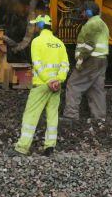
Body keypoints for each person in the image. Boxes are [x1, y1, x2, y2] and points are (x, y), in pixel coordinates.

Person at [13, 15, 69, 156]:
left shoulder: (37, 42)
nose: (35, 27)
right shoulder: (59, 43)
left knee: (30, 116)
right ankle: (49, 147)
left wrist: (48, 80)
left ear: (40, 26)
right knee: (52, 116)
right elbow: (65, 65)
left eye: (36, 25)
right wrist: (58, 80)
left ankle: (22, 148)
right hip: (56, 86)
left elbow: (37, 64)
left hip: (42, 85)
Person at [63, 1, 109, 120]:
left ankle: (71, 115)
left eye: (83, 11)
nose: (82, 14)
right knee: (96, 88)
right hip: (101, 60)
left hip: (90, 59)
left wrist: (80, 59)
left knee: (73, 84)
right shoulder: (102, 23)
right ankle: (99, 118)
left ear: (89, 12)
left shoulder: (92, 24)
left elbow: (89, 45)